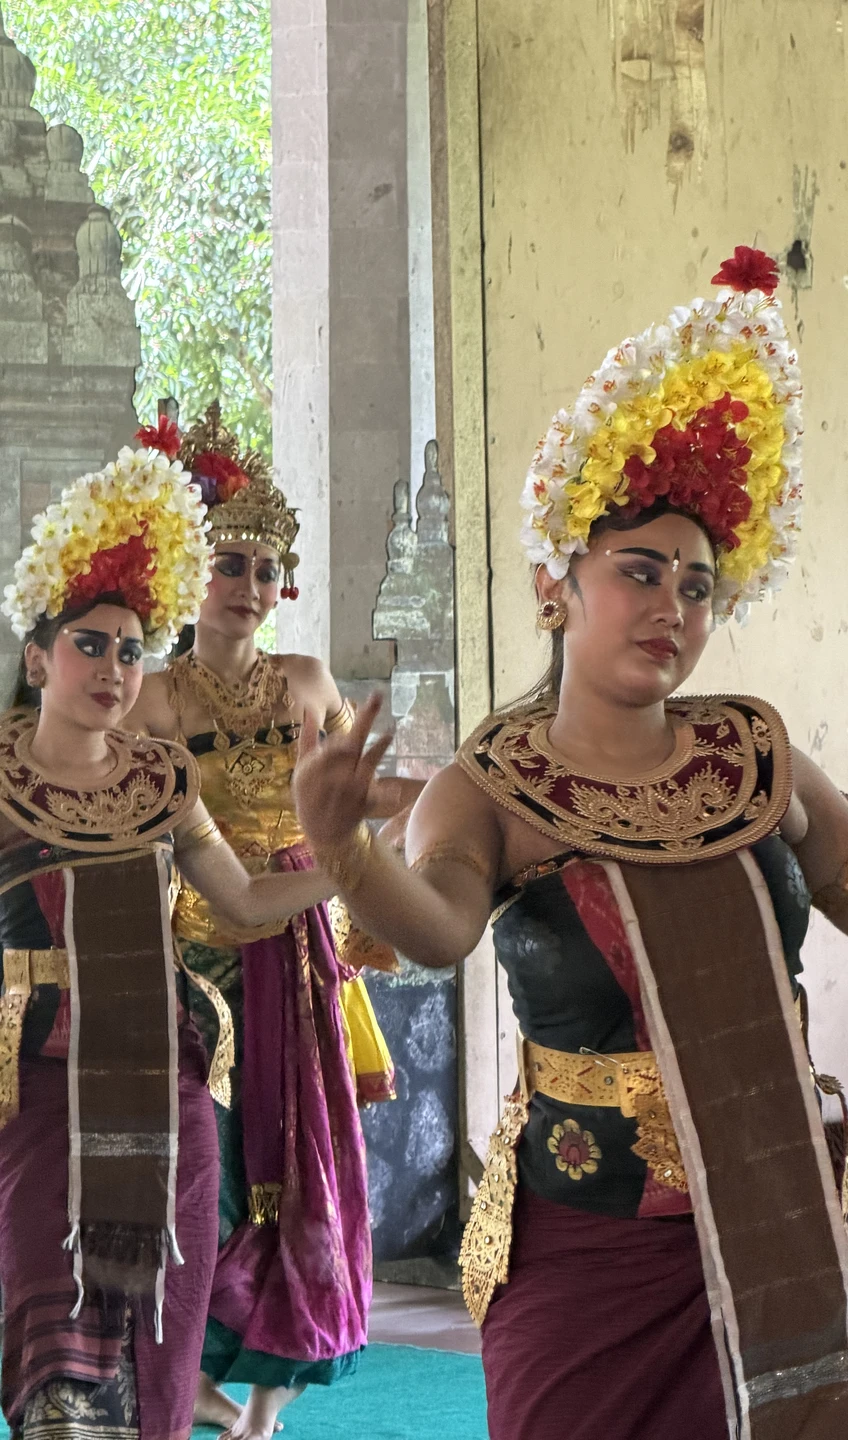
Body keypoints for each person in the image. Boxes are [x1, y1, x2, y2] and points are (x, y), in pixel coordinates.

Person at [291, 246, 848, 1440]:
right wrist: (346, 853)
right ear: (560, 586)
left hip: (767, 1222)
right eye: (640, 572)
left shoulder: (755, 757)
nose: (673, 608)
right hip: (584, 1239)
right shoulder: (493, 783)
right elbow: (439, 927)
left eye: (702, 587)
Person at [0, 444, 344, 1440]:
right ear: (38, 658)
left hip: (166, 1086)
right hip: (34, 1081)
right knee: (54, 1359)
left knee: (155, 1347)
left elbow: (238, 901)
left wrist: (360, 866)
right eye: (91, 646)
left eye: (130, 649)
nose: (114, 669)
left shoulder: (161, 782)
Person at [126, 404, 419, 1440]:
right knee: (200, 1167)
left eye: (262, 568)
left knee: (303, 1163)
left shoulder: (305, 681)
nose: (248, 587)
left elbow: (357, 795)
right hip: (195, 956)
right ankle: (193, 1370)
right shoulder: (153, 698)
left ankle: (264, 1403)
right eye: (228, 565)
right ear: (189, 578)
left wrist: (422, 798)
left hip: (297, 945)